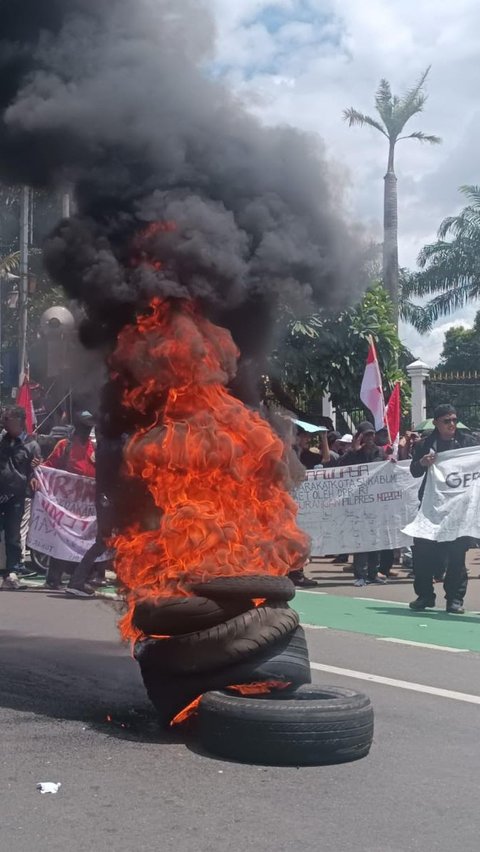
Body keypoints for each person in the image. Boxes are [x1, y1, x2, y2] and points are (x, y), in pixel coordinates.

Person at [409, 404, 478, 614]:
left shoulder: (468, 442)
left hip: (459, 509)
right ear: (436, 423)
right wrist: (421, 462)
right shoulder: (425, 444)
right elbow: (414, 471)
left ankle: (455, 599)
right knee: (421, 550)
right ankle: (424, 596)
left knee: (457, 555)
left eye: (454, 420)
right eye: (447, 421)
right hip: (432, 508)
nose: (451, 424)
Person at [35, 410, 96, 589]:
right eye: (84, 426)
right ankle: (53, 578)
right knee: (61, 539)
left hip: (86, 506)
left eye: (89, 427)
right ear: (77, 427)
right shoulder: (65, 445)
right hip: (65, 504)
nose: (87, 430)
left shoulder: (95, 448)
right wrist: (37, 474)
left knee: (83, 542)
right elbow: (49, 466)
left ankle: (78, 578)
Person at [338, 421, 387, 587]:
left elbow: (377, 468)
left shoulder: (379, 452)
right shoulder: (353, 454)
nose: (370, 437)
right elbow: (339, 467)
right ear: (359, 436)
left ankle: (373, 574)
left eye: (372, 434)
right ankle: (360, 574)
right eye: (366, 434)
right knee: (360, 541)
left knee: (375, 539)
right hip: (358, 504)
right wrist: (354, 450)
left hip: (375, 503)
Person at [0, 406, 41, 590]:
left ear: (20, 422)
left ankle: (12, 573)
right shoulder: (1, 440)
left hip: (16, 497)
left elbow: (36, 473)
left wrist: (34, 473)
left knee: (13, 536)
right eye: (4, 422)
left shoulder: (31, 445)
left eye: (10, 422)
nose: (6, 425)